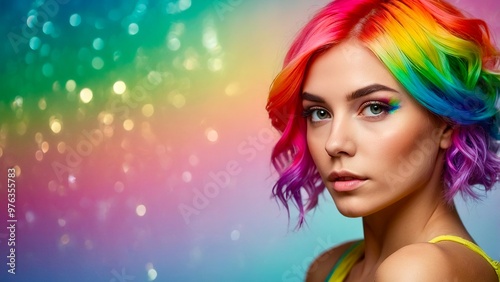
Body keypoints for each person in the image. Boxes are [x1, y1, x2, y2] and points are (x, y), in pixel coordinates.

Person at [265, 0, 500, 281]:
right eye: (319, 113)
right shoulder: (329, 267)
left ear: (446, 123)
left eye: (375, 108)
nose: (334, 143)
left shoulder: (420, 272)